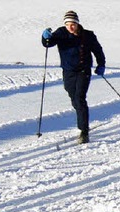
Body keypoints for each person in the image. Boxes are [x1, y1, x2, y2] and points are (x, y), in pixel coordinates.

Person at [41, 10, 106, 144]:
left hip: (83, 70)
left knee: (79, 98)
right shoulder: (61, 33)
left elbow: (98, 50)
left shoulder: (87, 35)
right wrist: (45, 37)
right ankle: (81, 117)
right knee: (73, 96)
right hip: (68, 71)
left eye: (73, 24)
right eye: (68, 24)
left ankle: (84, 131)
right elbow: (48, 43)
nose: (71, 27)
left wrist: (101, 64)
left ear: (77, 24)